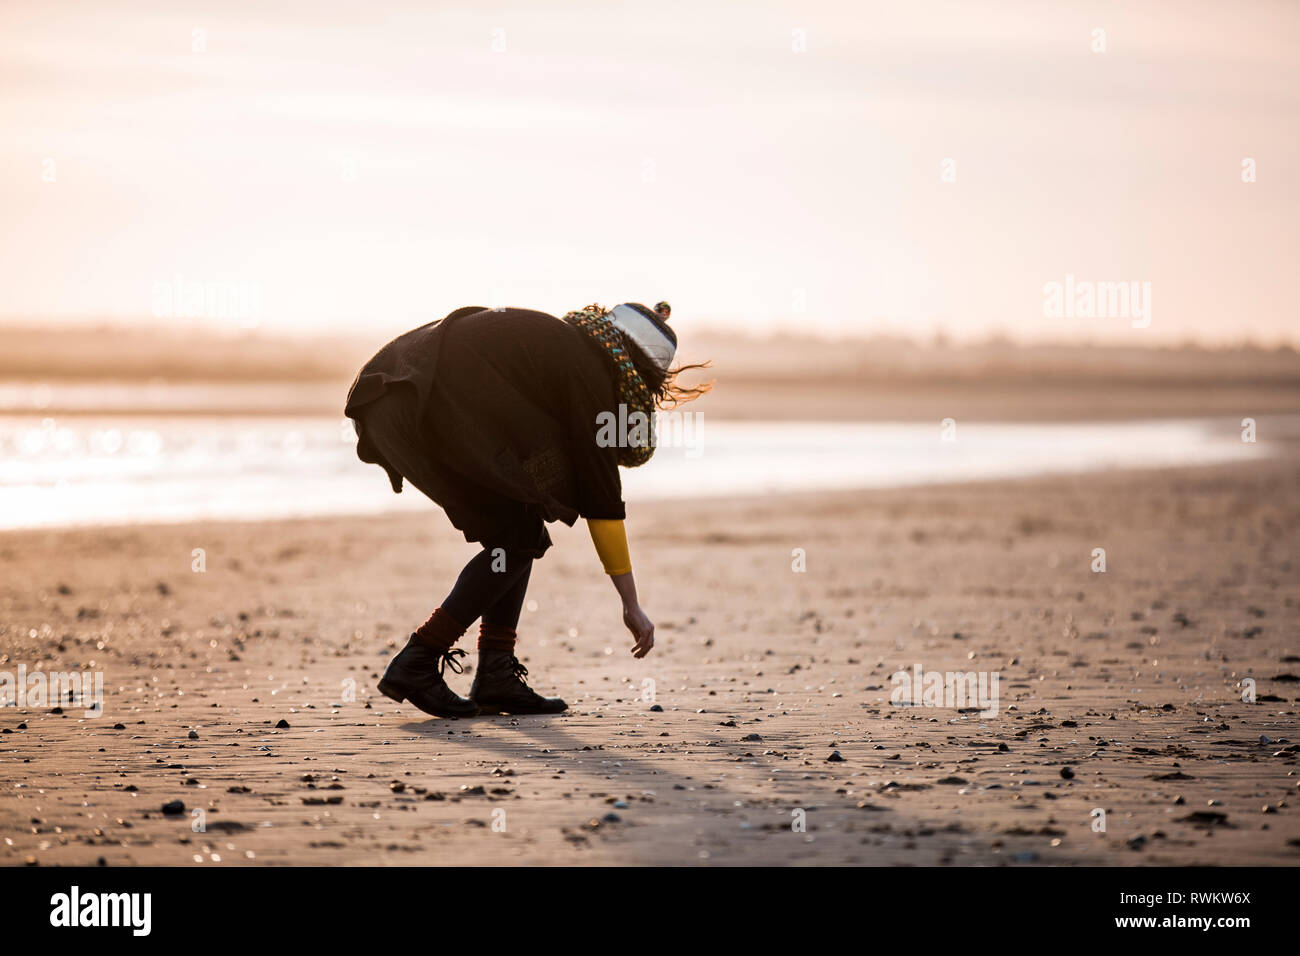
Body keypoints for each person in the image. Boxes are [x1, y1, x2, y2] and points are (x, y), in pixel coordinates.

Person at [343, 302, 708, 717]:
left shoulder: (564, 345)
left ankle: (496, 672)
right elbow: (602, 497)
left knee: (519, 529)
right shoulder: (587, 372)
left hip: (388, 394)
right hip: (414, 402)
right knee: (516, 538)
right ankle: (419, 658)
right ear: (636, 373)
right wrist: (631, 605)